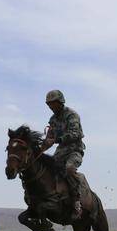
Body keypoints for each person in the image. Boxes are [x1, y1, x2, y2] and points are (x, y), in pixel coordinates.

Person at [41, 89, 86, 220]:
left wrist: (58, 139)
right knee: (47, 169)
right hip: (61, 152)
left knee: (69, 168)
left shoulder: (72, 115)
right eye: (48, 104)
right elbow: (50, 138)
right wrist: (40, 149)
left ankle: (77, 201)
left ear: (60, 102)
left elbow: (75, 133)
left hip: (74, 150)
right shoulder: (52, 120)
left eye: (53, 103)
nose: (50, 107)